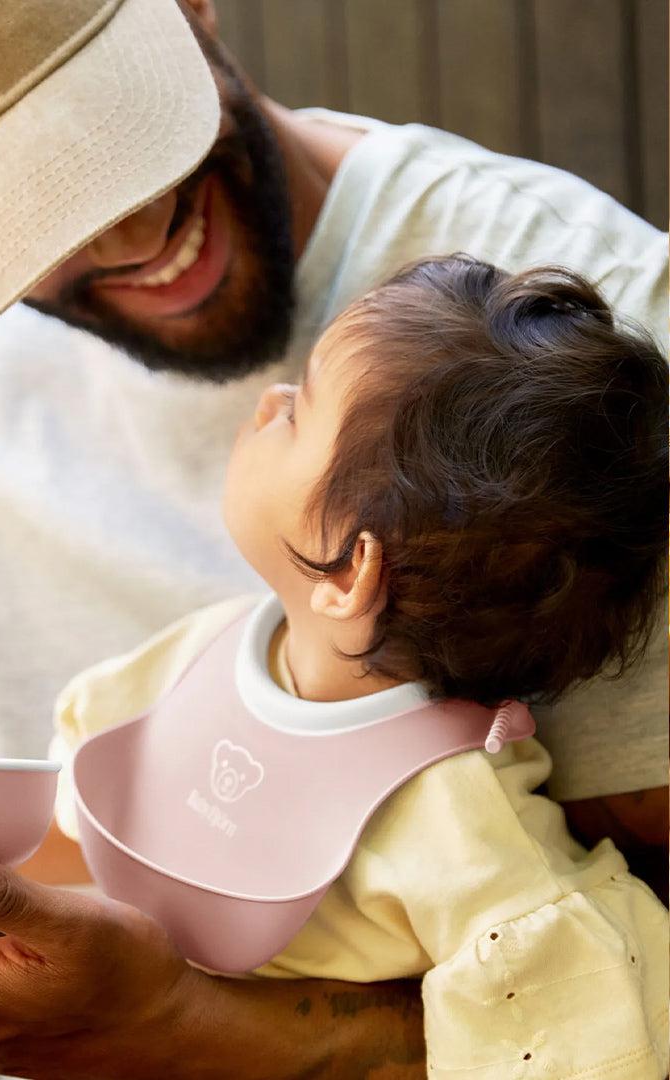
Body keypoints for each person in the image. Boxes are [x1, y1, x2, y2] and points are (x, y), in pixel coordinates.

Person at [0, 0, 664, 1075]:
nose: (124, 236)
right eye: (28, 209)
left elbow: (589, 1013)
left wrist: (192, 1032)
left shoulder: (591, 391)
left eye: (113, 139)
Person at [49, 255, 670, 1076]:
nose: (269, 401)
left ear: (347, 574)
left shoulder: (461, 821)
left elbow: (569, 1034)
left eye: (301, 409)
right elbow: (78, 786)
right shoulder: (214, 650)